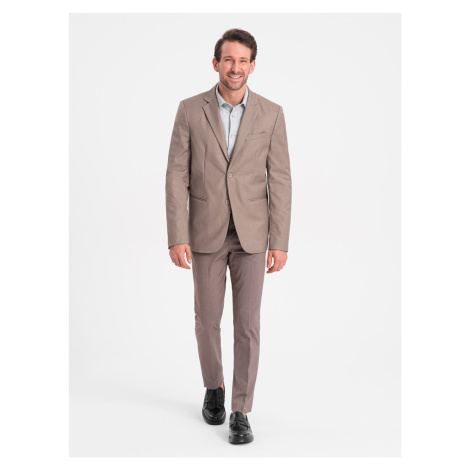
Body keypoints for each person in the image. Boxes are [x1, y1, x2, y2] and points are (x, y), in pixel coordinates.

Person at [165, 28, 292, 445]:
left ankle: (241, 409)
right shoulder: (190, 110)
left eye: (243, 61)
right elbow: (176, 176)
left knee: (248, 325)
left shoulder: (272, 114)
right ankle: (214, 386)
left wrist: (279, 241)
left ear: (252, 66)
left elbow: (281, 180)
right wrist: (177, 234)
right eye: (228, 60)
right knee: (206, 320)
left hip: (253, 235)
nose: (235, 68)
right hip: (205, 231)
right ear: (215, 63)